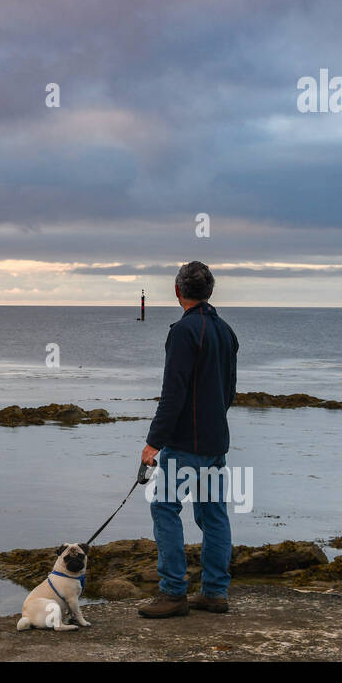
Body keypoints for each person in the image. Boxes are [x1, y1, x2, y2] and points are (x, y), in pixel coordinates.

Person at [137, 261, 238, 618]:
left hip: (186, 444)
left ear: (178, 291)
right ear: (209, 291)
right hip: (215, 443)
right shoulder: (225, 331)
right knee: (213, 515)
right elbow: (230, 391)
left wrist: (153, 443)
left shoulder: (184, 332)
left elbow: (173, 393)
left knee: (164, 508)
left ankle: (174, 592)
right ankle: (214, 592)